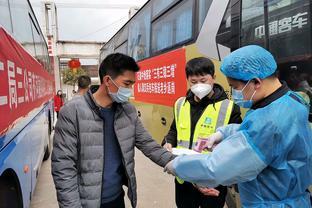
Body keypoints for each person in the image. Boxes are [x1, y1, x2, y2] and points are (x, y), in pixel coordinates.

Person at [164, 45, 312, 207]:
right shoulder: (291, 100)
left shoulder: (268, 121)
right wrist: (224, 133)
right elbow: (257, 133)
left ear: (256, 82)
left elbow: (216, 168)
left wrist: (176, 166)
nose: (235, 93)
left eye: (235, 87)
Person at [51, 53, 176, 208]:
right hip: (85, 203)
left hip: (117, 199)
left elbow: (149, 145)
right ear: (108, 81)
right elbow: (63, 167)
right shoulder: (72, 112)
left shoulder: (128, 111)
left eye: (132, 85)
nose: (130, 90)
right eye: (127, 84)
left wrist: (181, 165)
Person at [162, 57, 242, 208]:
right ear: (187, 80)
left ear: (213, 78)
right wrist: (168, 142)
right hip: (183, 175)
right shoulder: (180, 104)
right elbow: (174, 130)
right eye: (193, 82)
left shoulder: (229, 107)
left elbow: (238, 142)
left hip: (212, 178)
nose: (199, 85)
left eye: (203, 81)